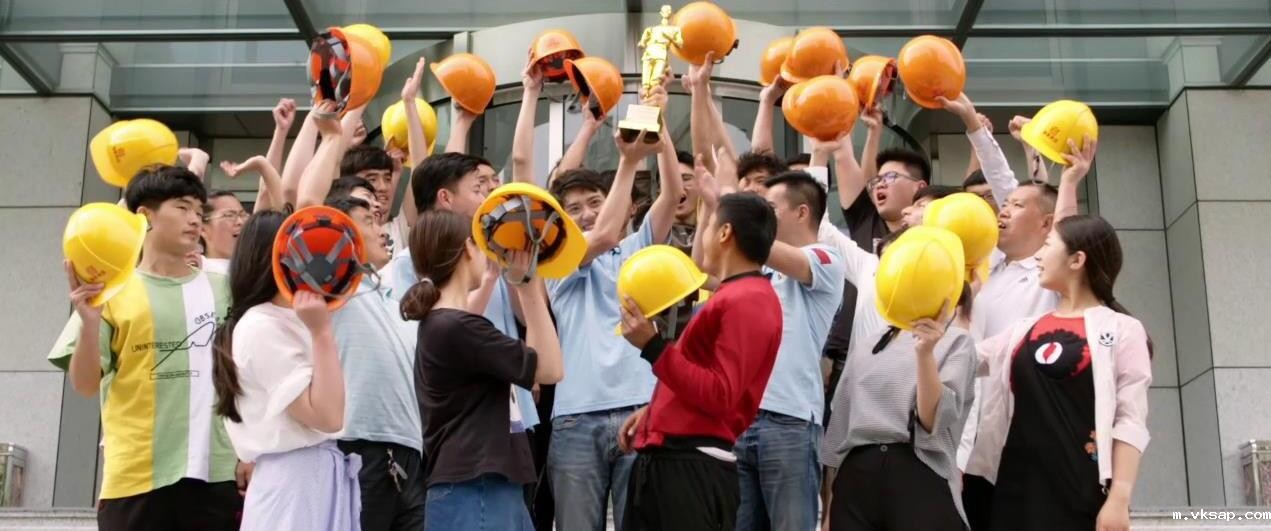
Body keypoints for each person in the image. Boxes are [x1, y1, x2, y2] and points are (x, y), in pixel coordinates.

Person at [50, 166, 242, 531]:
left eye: (198, 211)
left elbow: (245, 376)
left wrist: (248, 454)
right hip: (134, 480)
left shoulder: (224, 289)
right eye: (182, 208)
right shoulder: (110, 290)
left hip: (216, 474)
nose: (194, 220)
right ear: (145, 216)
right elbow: (86, 385)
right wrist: (89, 323)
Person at [971, 215, 1151, 531]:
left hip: (1081, 491)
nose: (1038, 256)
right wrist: (963, 304)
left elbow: (1130, 420)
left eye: (1047, 245)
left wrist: (1119, 498)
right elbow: (965, 361)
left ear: (1077, 260)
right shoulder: (1022, 330)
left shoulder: (1122, 329)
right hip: (1014, 489)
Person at [616, 192, 784, 531]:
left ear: (724, 233)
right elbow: (706, 380)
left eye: (706, 225)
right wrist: (657, 411)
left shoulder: (748, 298)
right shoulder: (736, 294)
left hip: (692, 469)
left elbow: (721, 394)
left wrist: (653, 346)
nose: (701, 235)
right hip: (675, 461)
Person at [540, 117, 677, 529]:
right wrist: (629, 160)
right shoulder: (555, 260)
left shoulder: (638, 247)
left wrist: (661, 130)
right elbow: (600, 237)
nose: (586, 214)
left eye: (595, 202)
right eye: (574, 208)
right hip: (576, 418)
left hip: (641, 408)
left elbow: (672, 194)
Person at [400, 210, 565, 531]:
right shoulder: (457, 327)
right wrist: (528, 288)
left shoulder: (444, 325)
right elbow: (550, 369)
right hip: (478, 489)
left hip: (477, 488)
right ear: (467, 248)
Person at [819, 225, 977, 531]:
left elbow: (933, 420)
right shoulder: (868, 343)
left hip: (919, 469)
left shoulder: (956, 341)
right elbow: (839, 431)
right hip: (857, 473)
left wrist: (925, 354)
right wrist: (829, 511)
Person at [213, 210, 359, 531]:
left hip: (312, 478)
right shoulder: (261, 326)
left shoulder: (293, 320)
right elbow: (327, 416)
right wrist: (321, 333)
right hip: (294, 482)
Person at [731, 170, 846, 531]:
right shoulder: (757, 268)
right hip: (740, 419)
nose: (762, 217)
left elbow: (759, 244)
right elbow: (707, 266)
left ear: (801, 212)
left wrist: (729, 206)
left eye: (769, 208)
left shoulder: (826, 258)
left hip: (790, 420)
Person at [200, 190, 248, 275]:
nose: (240, 222)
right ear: (203, 229)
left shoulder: (253, 268)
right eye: (229, 215)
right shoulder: (194, 271)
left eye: (242, 215)